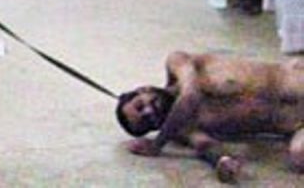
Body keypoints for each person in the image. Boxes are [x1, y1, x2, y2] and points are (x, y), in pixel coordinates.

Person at [115, 51, 304, 183]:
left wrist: (157, 144)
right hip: (296, 123)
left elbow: (190, 96)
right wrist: (221, 161)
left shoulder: (177, 63)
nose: (149, 112)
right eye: (147, 122)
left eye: (140, 105)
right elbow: (204, 145)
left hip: (296, 79)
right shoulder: (183, 127)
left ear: (144, 89)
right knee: (299, 155)